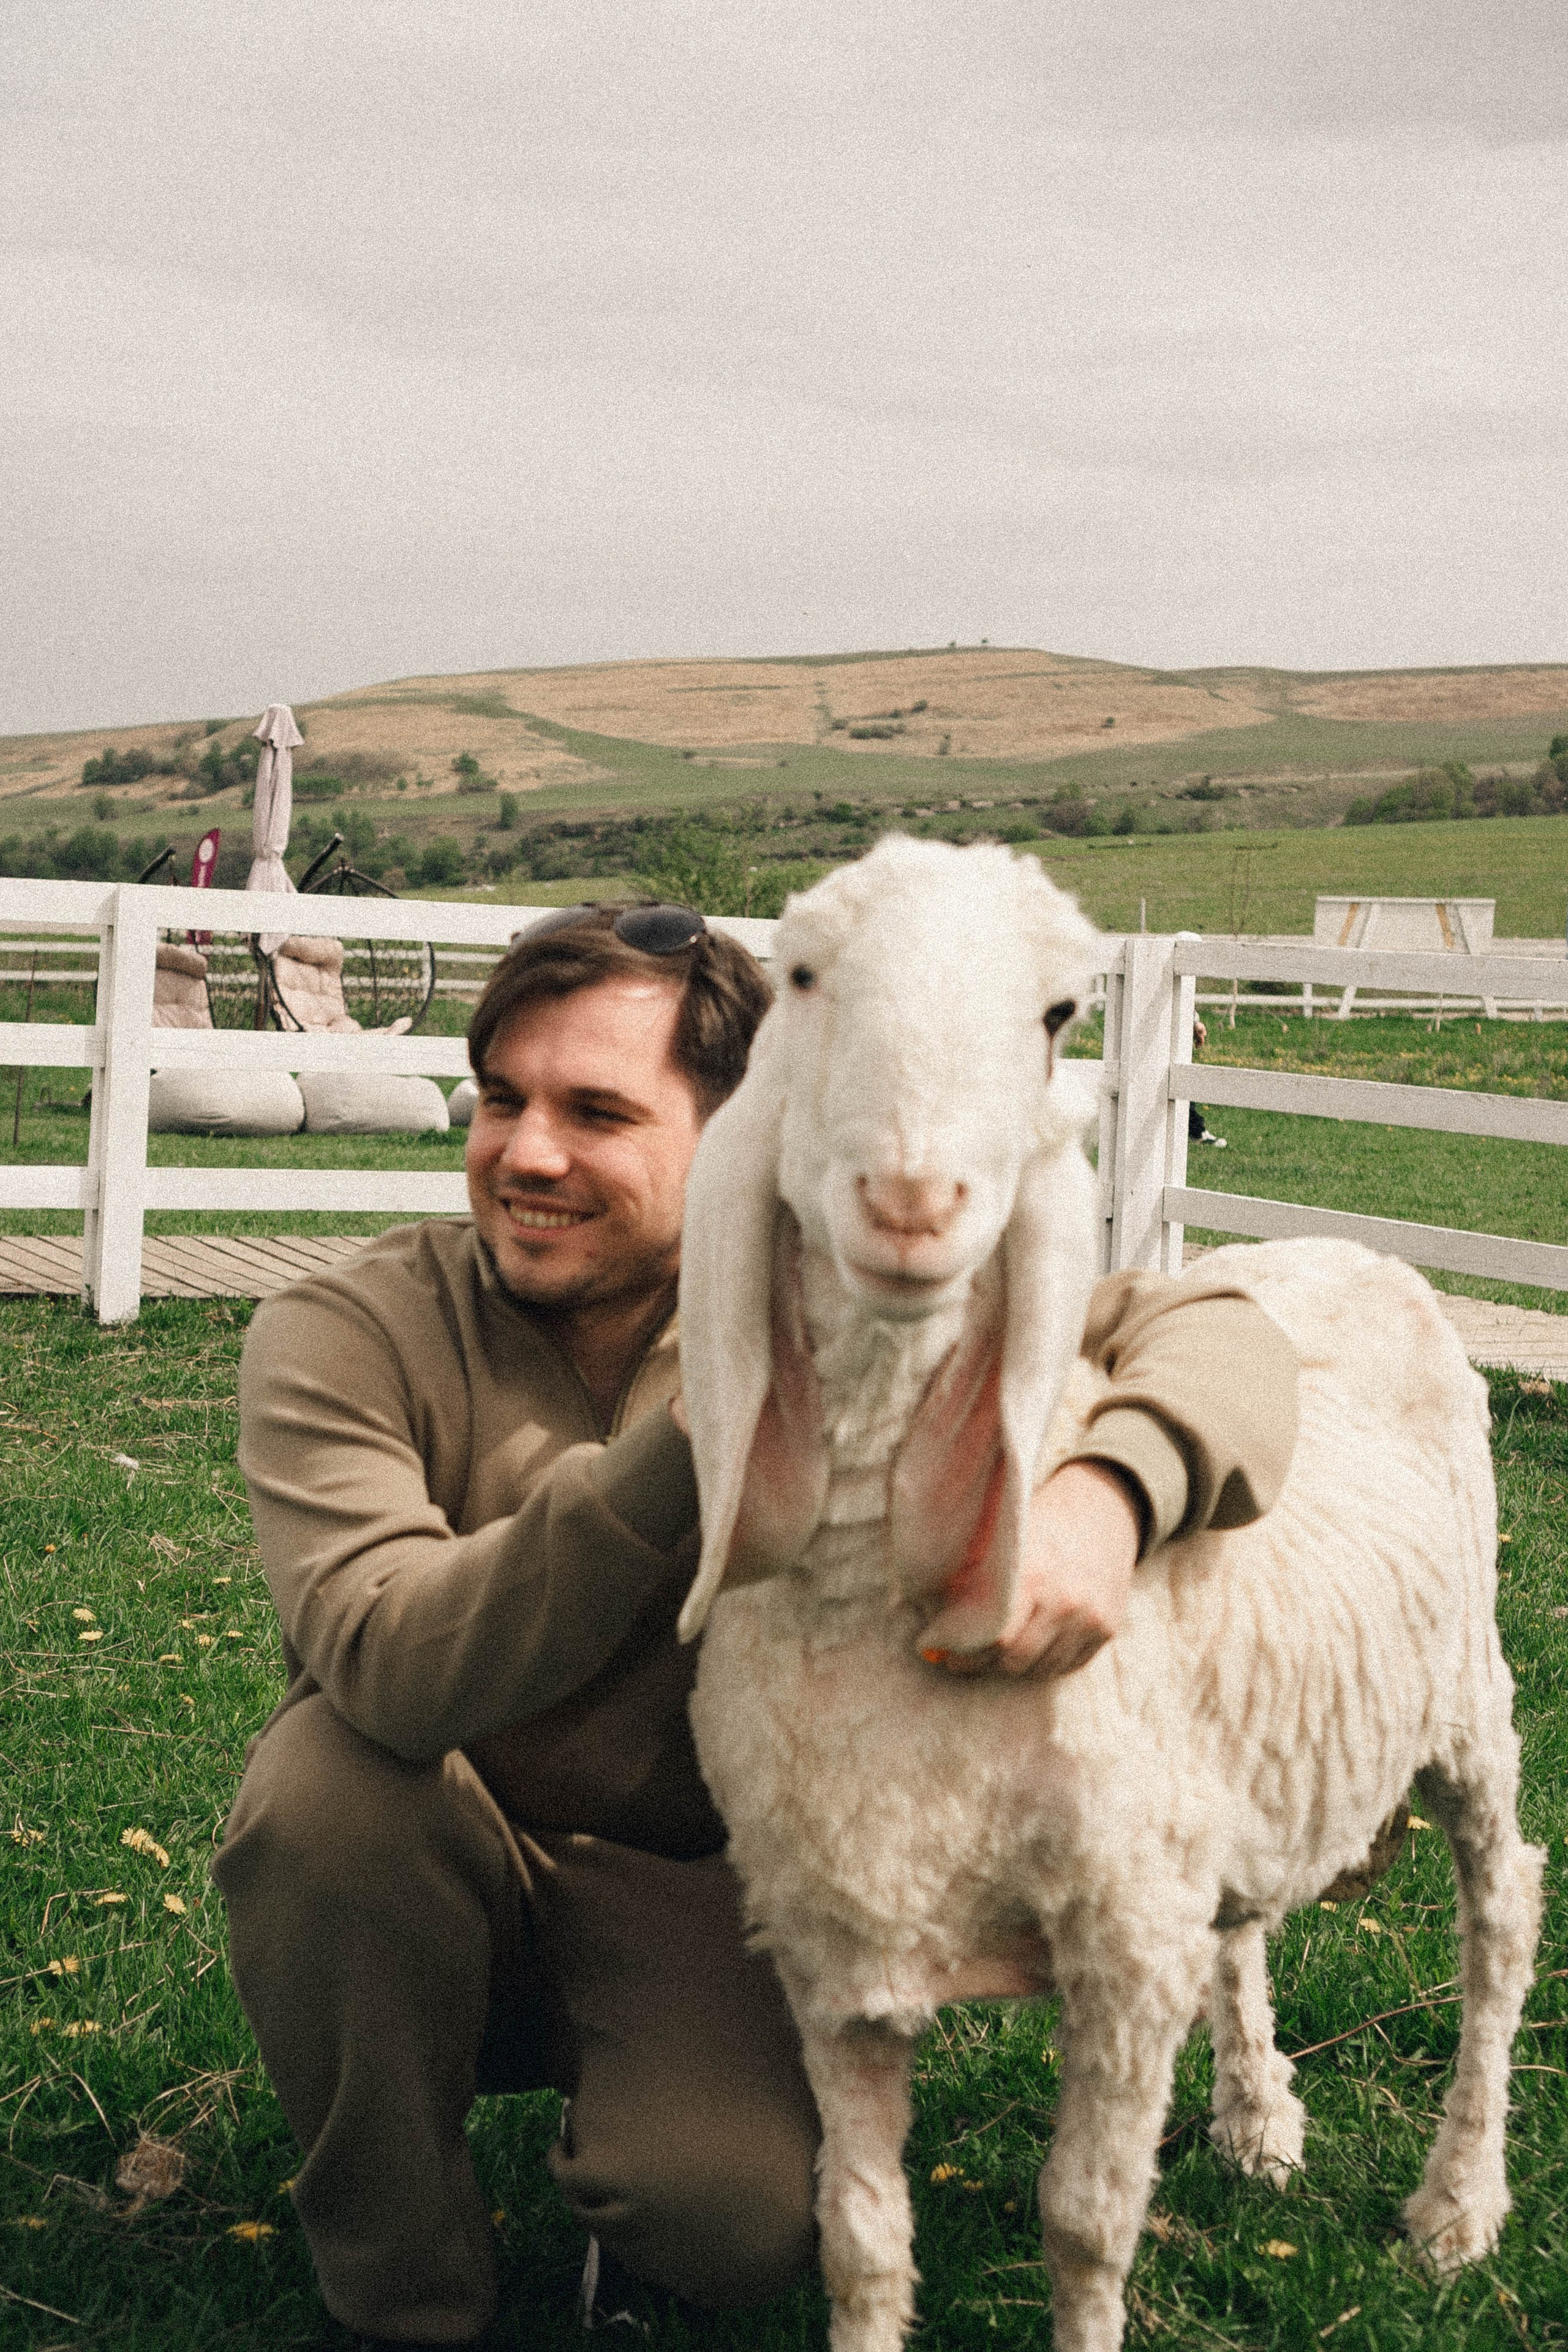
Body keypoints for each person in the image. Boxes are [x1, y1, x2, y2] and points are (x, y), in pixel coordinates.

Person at [213, 902, 1298, 2351]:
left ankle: (645, 2200)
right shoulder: (346, 1333)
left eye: (595, 1112)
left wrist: (1109, 1491)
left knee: (726, 2229)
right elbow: (395, 1666)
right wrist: (708, 1431)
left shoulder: (853, 1300)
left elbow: (1224, 1335)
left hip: (697, 1890)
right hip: (432, 1847)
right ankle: (406, 2296)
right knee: (321, 1791)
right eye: (501, 1100)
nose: (526, 1154)